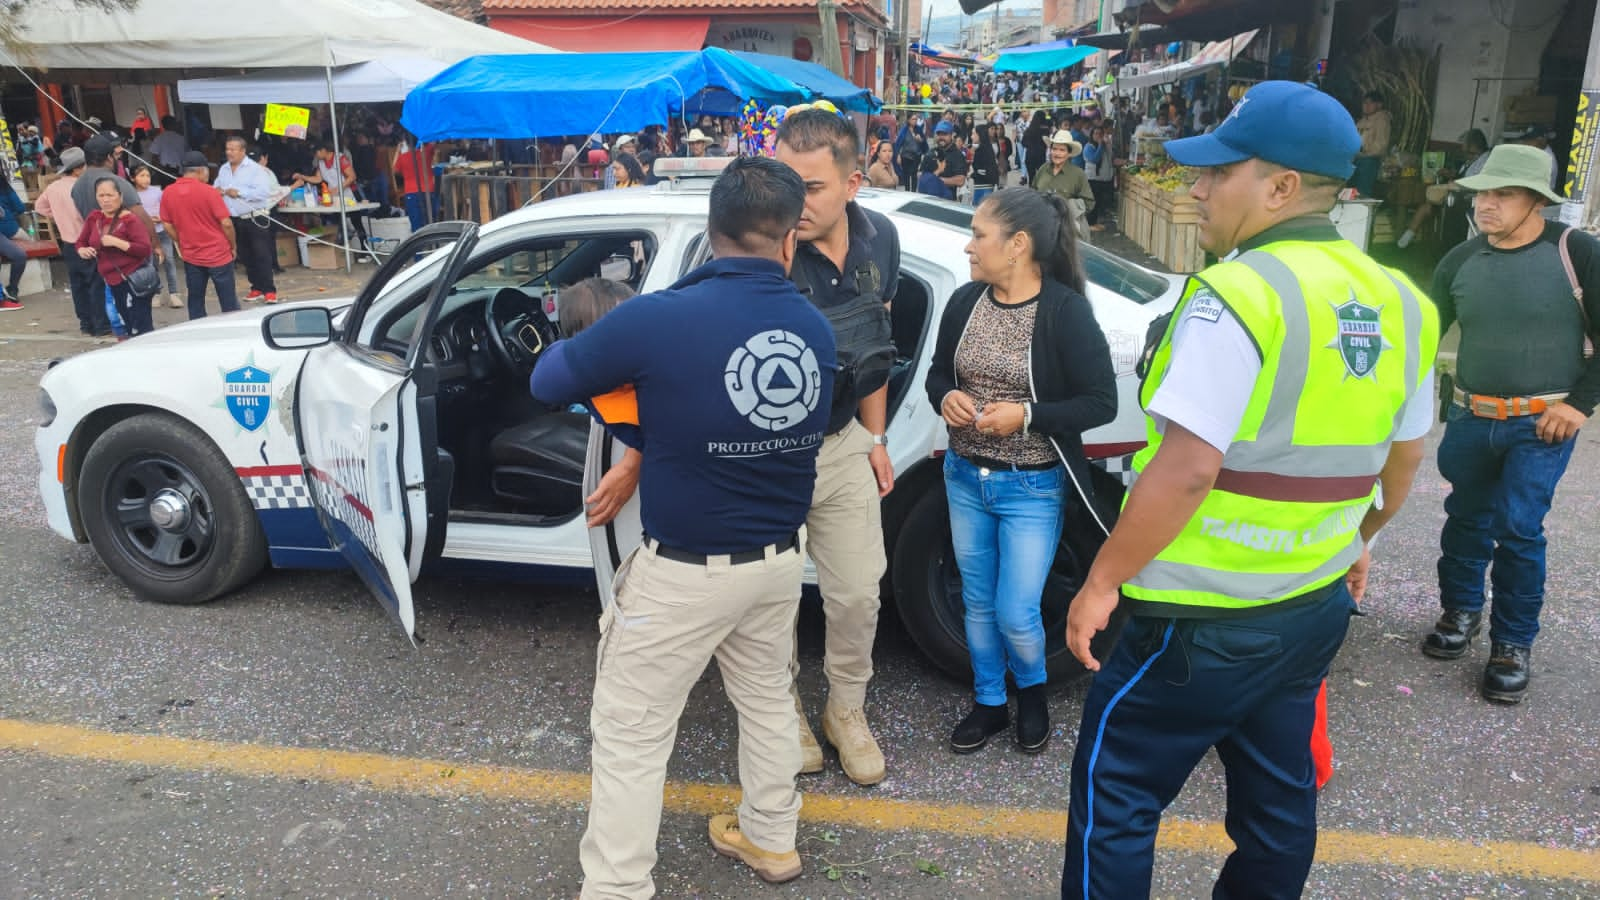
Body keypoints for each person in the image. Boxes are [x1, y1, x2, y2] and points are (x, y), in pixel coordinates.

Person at [1060, 81, 1439, 898]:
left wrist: (1101, 580)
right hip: (1311, 606)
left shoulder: (1239, 294)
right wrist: (1359, 539)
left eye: (1217, 173)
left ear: (1281, 188)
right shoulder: (1407, 302)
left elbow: (1188, 469)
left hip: (1197, 621)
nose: (1196, 190)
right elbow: (1403, 462)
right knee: (1277, 811)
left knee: (1116, 797)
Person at [530, 156, 834, 898]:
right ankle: (770, 838)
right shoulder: (815, 329)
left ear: (710, 229)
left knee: (631, 733)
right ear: (790, 237)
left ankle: (617, 888)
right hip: (776, 561)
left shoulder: (654, 319)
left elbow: (547, 381)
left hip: (685, 571)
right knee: (765, 701)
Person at [927, 187, 1116, 755]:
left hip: (1032, 486)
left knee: (1015, 610)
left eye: (979, 236)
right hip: (964, 476)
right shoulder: (965, 302)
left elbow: (1099, 402)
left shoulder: (1064, 311)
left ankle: (1030, 695)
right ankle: (989, 702)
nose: (968, 247)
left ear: (1018, 246)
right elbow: (938, 373)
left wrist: (1028, 416)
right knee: (977, 602)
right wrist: (947, 399)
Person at [1422, 143, 1599, 703]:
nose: (1486, 206)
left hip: (1543, 424)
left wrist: (1579, 404)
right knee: (1466, 517)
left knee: (1520, 529)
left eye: (1503, 194)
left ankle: (1512, 644)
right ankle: (1461, 611)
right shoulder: (1461, 260)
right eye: (1482, 194)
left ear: (1536, 203)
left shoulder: (1578, 253)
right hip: (1472, 415)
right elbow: (1424, 338)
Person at [774, 107, 902, 787]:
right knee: (770, 597)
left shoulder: (882, 241)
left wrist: (876, 437)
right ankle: (785, 709)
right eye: (782, 182)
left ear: (854, 183)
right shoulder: (758, 246)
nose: (792, 202)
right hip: (765, 457)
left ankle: (844, 711)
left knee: (857, 593)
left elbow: (873, 348)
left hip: (843, 443)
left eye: (812, 188)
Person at [160, 151, 239, 320]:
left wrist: (180, 241)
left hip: (191, 254)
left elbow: (166, 223)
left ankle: (198, 332)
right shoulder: (209, 192)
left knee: (195, 300)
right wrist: (232, 245)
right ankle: (234, 332)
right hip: (218, 253)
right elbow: (226, 223)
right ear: (201, 171)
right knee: (228, 301)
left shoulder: (168, 192)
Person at [35, 147, 105, 333]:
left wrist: (57, 216)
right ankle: (100, 325)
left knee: (78, 286)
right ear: (77, 169)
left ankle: (85, 324)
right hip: (87, 242)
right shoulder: (83, 187)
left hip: (68, 243)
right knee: (95, 284)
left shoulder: (53, 187)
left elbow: (39, 207)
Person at [78, 176, 156, 336]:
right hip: (109, 278)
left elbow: (144, 249)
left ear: (120, 196)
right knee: (120, 321)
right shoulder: (95, 218)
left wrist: (117, 242)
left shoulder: (130, 219)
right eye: (101, 195)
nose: (105, 200)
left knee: (139, 324)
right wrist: (83, 250)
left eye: (110, 195)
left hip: (132, 278)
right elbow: (80, 242)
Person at [1398, 129, 1490, 249]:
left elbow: (1471, 182)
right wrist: (1450, 174)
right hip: (1452, 196)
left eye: (1464, 144)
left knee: (1429, 200)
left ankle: (1406, 239)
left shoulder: (1484, 161)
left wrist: (1454, 182)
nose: (1462, 148)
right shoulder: (1471, 159)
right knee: (1426, 206)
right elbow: (1462, 175)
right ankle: (1405, 239)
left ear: (1472, 146)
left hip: (1464, 200)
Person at [217, 136, 279, 303]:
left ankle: (269, 290)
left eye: (233, 149)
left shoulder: (255, 169)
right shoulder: (223, 169)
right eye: (227, 149)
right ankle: (256, 287)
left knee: (262, 254)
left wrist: (240, 193)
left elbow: (263, 193)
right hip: (235, 218)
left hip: (255, 217)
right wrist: (218, 191)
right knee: (245, 255)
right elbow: (218, 186)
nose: (229, 152)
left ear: (242, 151)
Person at [131, 164, 183, 309]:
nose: (146, 179)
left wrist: (161, 217)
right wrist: (146, 219)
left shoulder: (157, 191)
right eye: (141, 176)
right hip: (144, 234)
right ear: (133, 178)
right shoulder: (132, 195)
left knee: (169, 262)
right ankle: (156, 293)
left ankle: (174, 294)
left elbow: (167, 207)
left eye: (147, 176)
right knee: (151, 265)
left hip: (161, 231)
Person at [1032, 131, 1094, 237]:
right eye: (1054, 149)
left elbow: (1089, 202)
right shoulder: (1043, 169)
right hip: (1041, 226)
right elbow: (1033, 191)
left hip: (1066, 230)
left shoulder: (1078, 174)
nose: (1057, 153)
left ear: (1069, 154)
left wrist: (1067, 208)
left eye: (1062, 150)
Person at [0, 163, 29, 311]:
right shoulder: (5, 186)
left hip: (6, 232)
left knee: (20, 255)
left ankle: (12, 289)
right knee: (27, 240)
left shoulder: (4, 186)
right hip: (12, 230)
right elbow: (19, 209)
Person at [393, 139, 438, 231]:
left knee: (416, 225)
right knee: (431, 223)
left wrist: (398, 150)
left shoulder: (403, 157)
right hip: (428, 191)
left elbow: (394, 170)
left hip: (411, 193)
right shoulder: (427, 152)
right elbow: (433, 141)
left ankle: (420, 244)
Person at [1353, 90, 1390, 197]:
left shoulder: (1382, 119)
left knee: (1362, 190)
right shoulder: (1362, 121)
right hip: (1358, 158)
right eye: (1364, 103)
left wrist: (1363, 154)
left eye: (1370, 103)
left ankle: (1363, 206)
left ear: (1379, 105)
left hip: (1371, 160)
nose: (1366, 106)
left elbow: (1381, 147)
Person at [1082, 125, 1116, 231]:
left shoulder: (1105, 146)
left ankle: (1094, 222)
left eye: (1101, 134)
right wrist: (1101, 145)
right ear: (1092, 135)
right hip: (1092, 179)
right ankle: (1089, 223)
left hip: (1102, 179)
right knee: (1093, 202)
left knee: (1098, 202)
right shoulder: (1089, 147)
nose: (1098, 136)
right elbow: (1094, 159)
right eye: (1096, 134)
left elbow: (1110, 159)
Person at [930, 120, 970, 199]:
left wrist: (937, 180)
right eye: (938, 134)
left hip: (948, 202)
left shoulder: (957, 155)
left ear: (952, 135)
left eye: (944, 134)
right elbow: (921, 174)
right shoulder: (932, 152)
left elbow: (960, 180)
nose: (941, 137)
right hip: (930, 199)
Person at [970, 122, 1005, 205]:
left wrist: (972, 174)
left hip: (982, 188)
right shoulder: (986, 148)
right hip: (987, 187)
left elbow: (982, 171)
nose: (971, 136)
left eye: (973, 134)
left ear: (980, 135)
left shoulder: (981, 150)